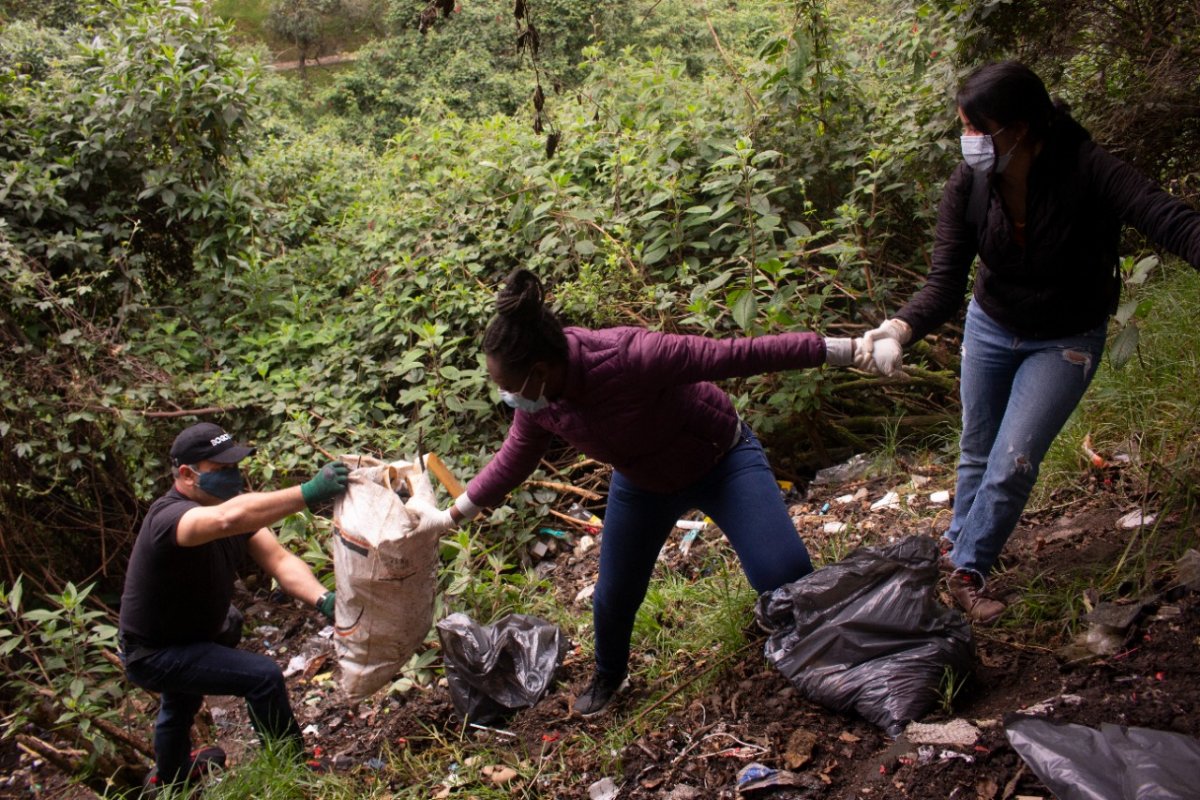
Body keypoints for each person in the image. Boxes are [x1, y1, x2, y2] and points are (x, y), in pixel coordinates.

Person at [412, 268, 901, 717]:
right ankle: (610, 677)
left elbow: (739, 354)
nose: (508, 396)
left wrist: (848, 350)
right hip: (642, 483)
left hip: (720, 460)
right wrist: (452, 515)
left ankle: (825, 656)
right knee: (612, 596)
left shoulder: (630, 355)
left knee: (785, 575)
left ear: (540, 369)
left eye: (509, 386)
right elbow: (515, 457)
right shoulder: (539, 402)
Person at [861, 61, 1200, 624]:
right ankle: (955, 552)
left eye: (977, 129)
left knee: (1013, 459)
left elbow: (1169, 220)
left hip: (1065, 338)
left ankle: (967, 570)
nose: (968, 141)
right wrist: (900, 328)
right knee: (976, 449)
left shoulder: (1089, 169)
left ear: (1018, 129)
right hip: (991, 324)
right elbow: (945, 281)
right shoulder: (970, 183)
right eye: (963, 128)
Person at [118, 422, 349, 793]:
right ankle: (292, 768)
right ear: (186, 474)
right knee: (261, 676)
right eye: (222, 470)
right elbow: (227, 519)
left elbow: (278, 560)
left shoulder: (230, 509)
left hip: (192, 635)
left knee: (183, 697)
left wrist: (323, 599)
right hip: (153, 652)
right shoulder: (170, 518)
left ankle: (171, 775)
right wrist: (308, 492)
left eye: (235, 467)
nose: (234, 476)